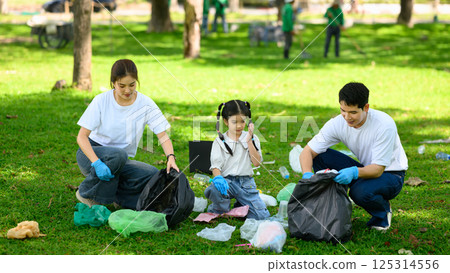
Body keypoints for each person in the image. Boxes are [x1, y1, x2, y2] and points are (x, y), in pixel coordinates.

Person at [300, 82, 408, 232]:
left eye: (353, 112)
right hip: (366, 168)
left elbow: (377, 170)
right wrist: (307, 174)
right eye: (343, 110)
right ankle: (332, 205)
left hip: (391, 174)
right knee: (320, 156)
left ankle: (382, 214)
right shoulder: (338, 122)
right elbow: (307, 152)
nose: (347, 117)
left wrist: (353, 172)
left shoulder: (384, 125)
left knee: (360, 192)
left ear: (366, 108)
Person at [75, 59, 179, 209]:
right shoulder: (101, 101)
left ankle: (119, 199)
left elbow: (162, 135)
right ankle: (86, 193)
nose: (127, 91)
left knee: (152, 174)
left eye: (132, 85)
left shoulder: (146, 103)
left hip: (120, 160)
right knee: (118, 155)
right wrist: (97, 163)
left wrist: (171, 157)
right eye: (121, 86)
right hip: (91, 154)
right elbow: (81, 137)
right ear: (113, 83)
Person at [204, 100, 270, 220]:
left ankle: (240, 204)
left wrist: (249, 140)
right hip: (226, 182)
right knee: (214, 188)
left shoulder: (252, 138)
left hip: (246, 184)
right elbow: (216, 166)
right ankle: (221, 208)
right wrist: (218, 178)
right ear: (226, 121)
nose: (239, 126)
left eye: (243, 121)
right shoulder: (219, 141)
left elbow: (256, 162)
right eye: (234, 122)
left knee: (261, 216)